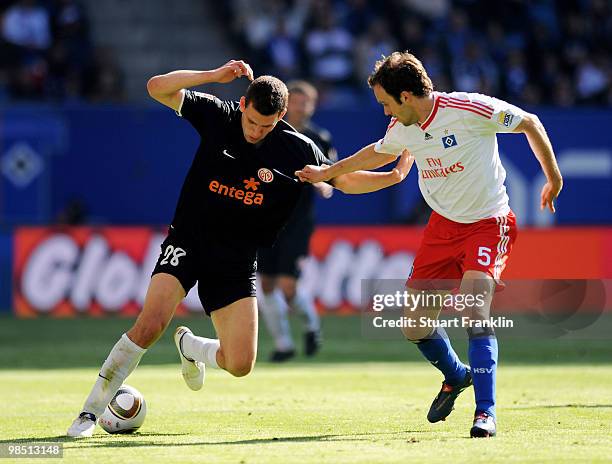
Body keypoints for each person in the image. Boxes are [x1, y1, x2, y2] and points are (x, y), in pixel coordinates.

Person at [67, 59, 416, 438]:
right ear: (244, 104)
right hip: (190, 240)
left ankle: (192, 347)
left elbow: (343, 180)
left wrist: (394, 176)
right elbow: (157, 87)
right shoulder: (219, 115)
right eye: (251, 121)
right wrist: (214, 77)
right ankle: (89, 412)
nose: (255, 131)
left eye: (266, 126)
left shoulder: (295, 148)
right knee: (150, 325)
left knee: (240, 364)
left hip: (236, 259)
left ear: (281, 116)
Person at [296, 51, 563, 438]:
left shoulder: (469, 108)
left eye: (386, 102)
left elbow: (530, 123)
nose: (385, 111)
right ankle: (456, 376)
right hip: (441, 230)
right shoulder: (403, 127)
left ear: (406, 96)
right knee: (413, 326)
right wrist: (326, 172)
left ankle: (485, 413)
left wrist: (553, 178)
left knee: (474, 310)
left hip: (488, 223)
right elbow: (373, 152)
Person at [258, 80, 336, 362]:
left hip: (297, 221)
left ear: (313, 106)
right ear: (286, 103)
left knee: (288, 288)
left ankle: (312, 327)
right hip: (266, 218)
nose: (301, 107)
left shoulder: (319, 138)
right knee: (265, 284)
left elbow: (331, 172)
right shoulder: (270, 131)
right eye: (297, 101)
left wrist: (325, 184)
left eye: (306, 102)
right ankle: (283, 344)